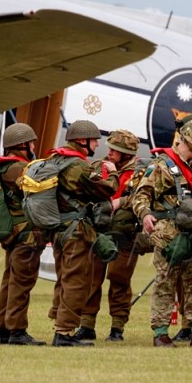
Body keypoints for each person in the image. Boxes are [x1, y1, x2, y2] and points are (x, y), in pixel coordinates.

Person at [133, 118, 192, 347]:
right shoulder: (161, 166)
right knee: (165, 282)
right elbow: (141, 195)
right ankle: (161, 333)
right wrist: (145, 214)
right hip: (169, 234)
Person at [43, 120, 118, 346]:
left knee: (64, 279)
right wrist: (113, 174)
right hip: (75, 232)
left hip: (57, 230)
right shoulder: (78, 165)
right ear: (82, 141)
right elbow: (106, 190)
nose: (97, 144)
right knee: (76, 282)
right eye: (94, 140)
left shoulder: (55, 159)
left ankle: (59, 322)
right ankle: (64, 333)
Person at [76, 129, 143, 342]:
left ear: (127, 154)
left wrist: (121, 202)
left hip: (126, 235)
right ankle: (86, 325)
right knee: (91, 279)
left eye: (116, 150)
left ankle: (117, 327)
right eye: (110, 148)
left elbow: (145, 196)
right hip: (99, 233)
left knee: (119, 279)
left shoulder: (142, 171)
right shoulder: (98, 167)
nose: (110, 152)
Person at [0, 123, 46, 346]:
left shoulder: (3, 166)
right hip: (26, 235)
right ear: (22, 144)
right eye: (31, 142)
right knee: (21, 283)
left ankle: (3, 329)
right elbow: (38, 190)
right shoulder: (19, 169)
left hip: (13, 234)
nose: (33, 146)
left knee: (9, 280)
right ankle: (17, 331)